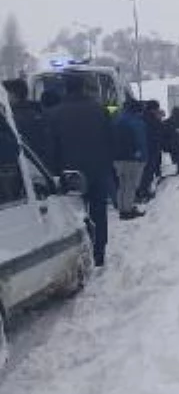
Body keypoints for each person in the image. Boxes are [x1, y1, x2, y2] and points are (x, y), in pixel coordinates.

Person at [47, 73, 114, 267]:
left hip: (69, 175)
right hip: (98, 171)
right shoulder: (100, 110)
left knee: (73, 213)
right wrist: (106, 165)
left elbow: (52, 147)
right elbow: (110, 139)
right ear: (84, 87)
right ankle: (99, 252)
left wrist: (55, 172)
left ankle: (78, 253)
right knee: (99, 211)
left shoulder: (55, 113)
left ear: (66, 89)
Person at [3, 78, 55, 167]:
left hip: (26, 167)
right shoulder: (40, 112)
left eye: (4, 94)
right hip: (44, 165)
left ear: (14, 95)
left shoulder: (12, 119)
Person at [112, 100, 148, 220]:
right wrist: (143, 157)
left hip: (116, 158)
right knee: (130, 185)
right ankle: (127, 210)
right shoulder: (136, 122)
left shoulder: (116, 120)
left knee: (122, 185)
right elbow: (141, 141)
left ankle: (122, 207)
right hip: (132, 159)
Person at [137, 100, 165, 202]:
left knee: (146, 171)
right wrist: (159, 120)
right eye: (157, 108)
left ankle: (143, 190)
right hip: (151, 148)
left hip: (146, 148)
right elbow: (158, 131)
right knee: (148, 171)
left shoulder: (142, 117)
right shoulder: (150, 118)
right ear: (153, 109)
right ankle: (143, 192)